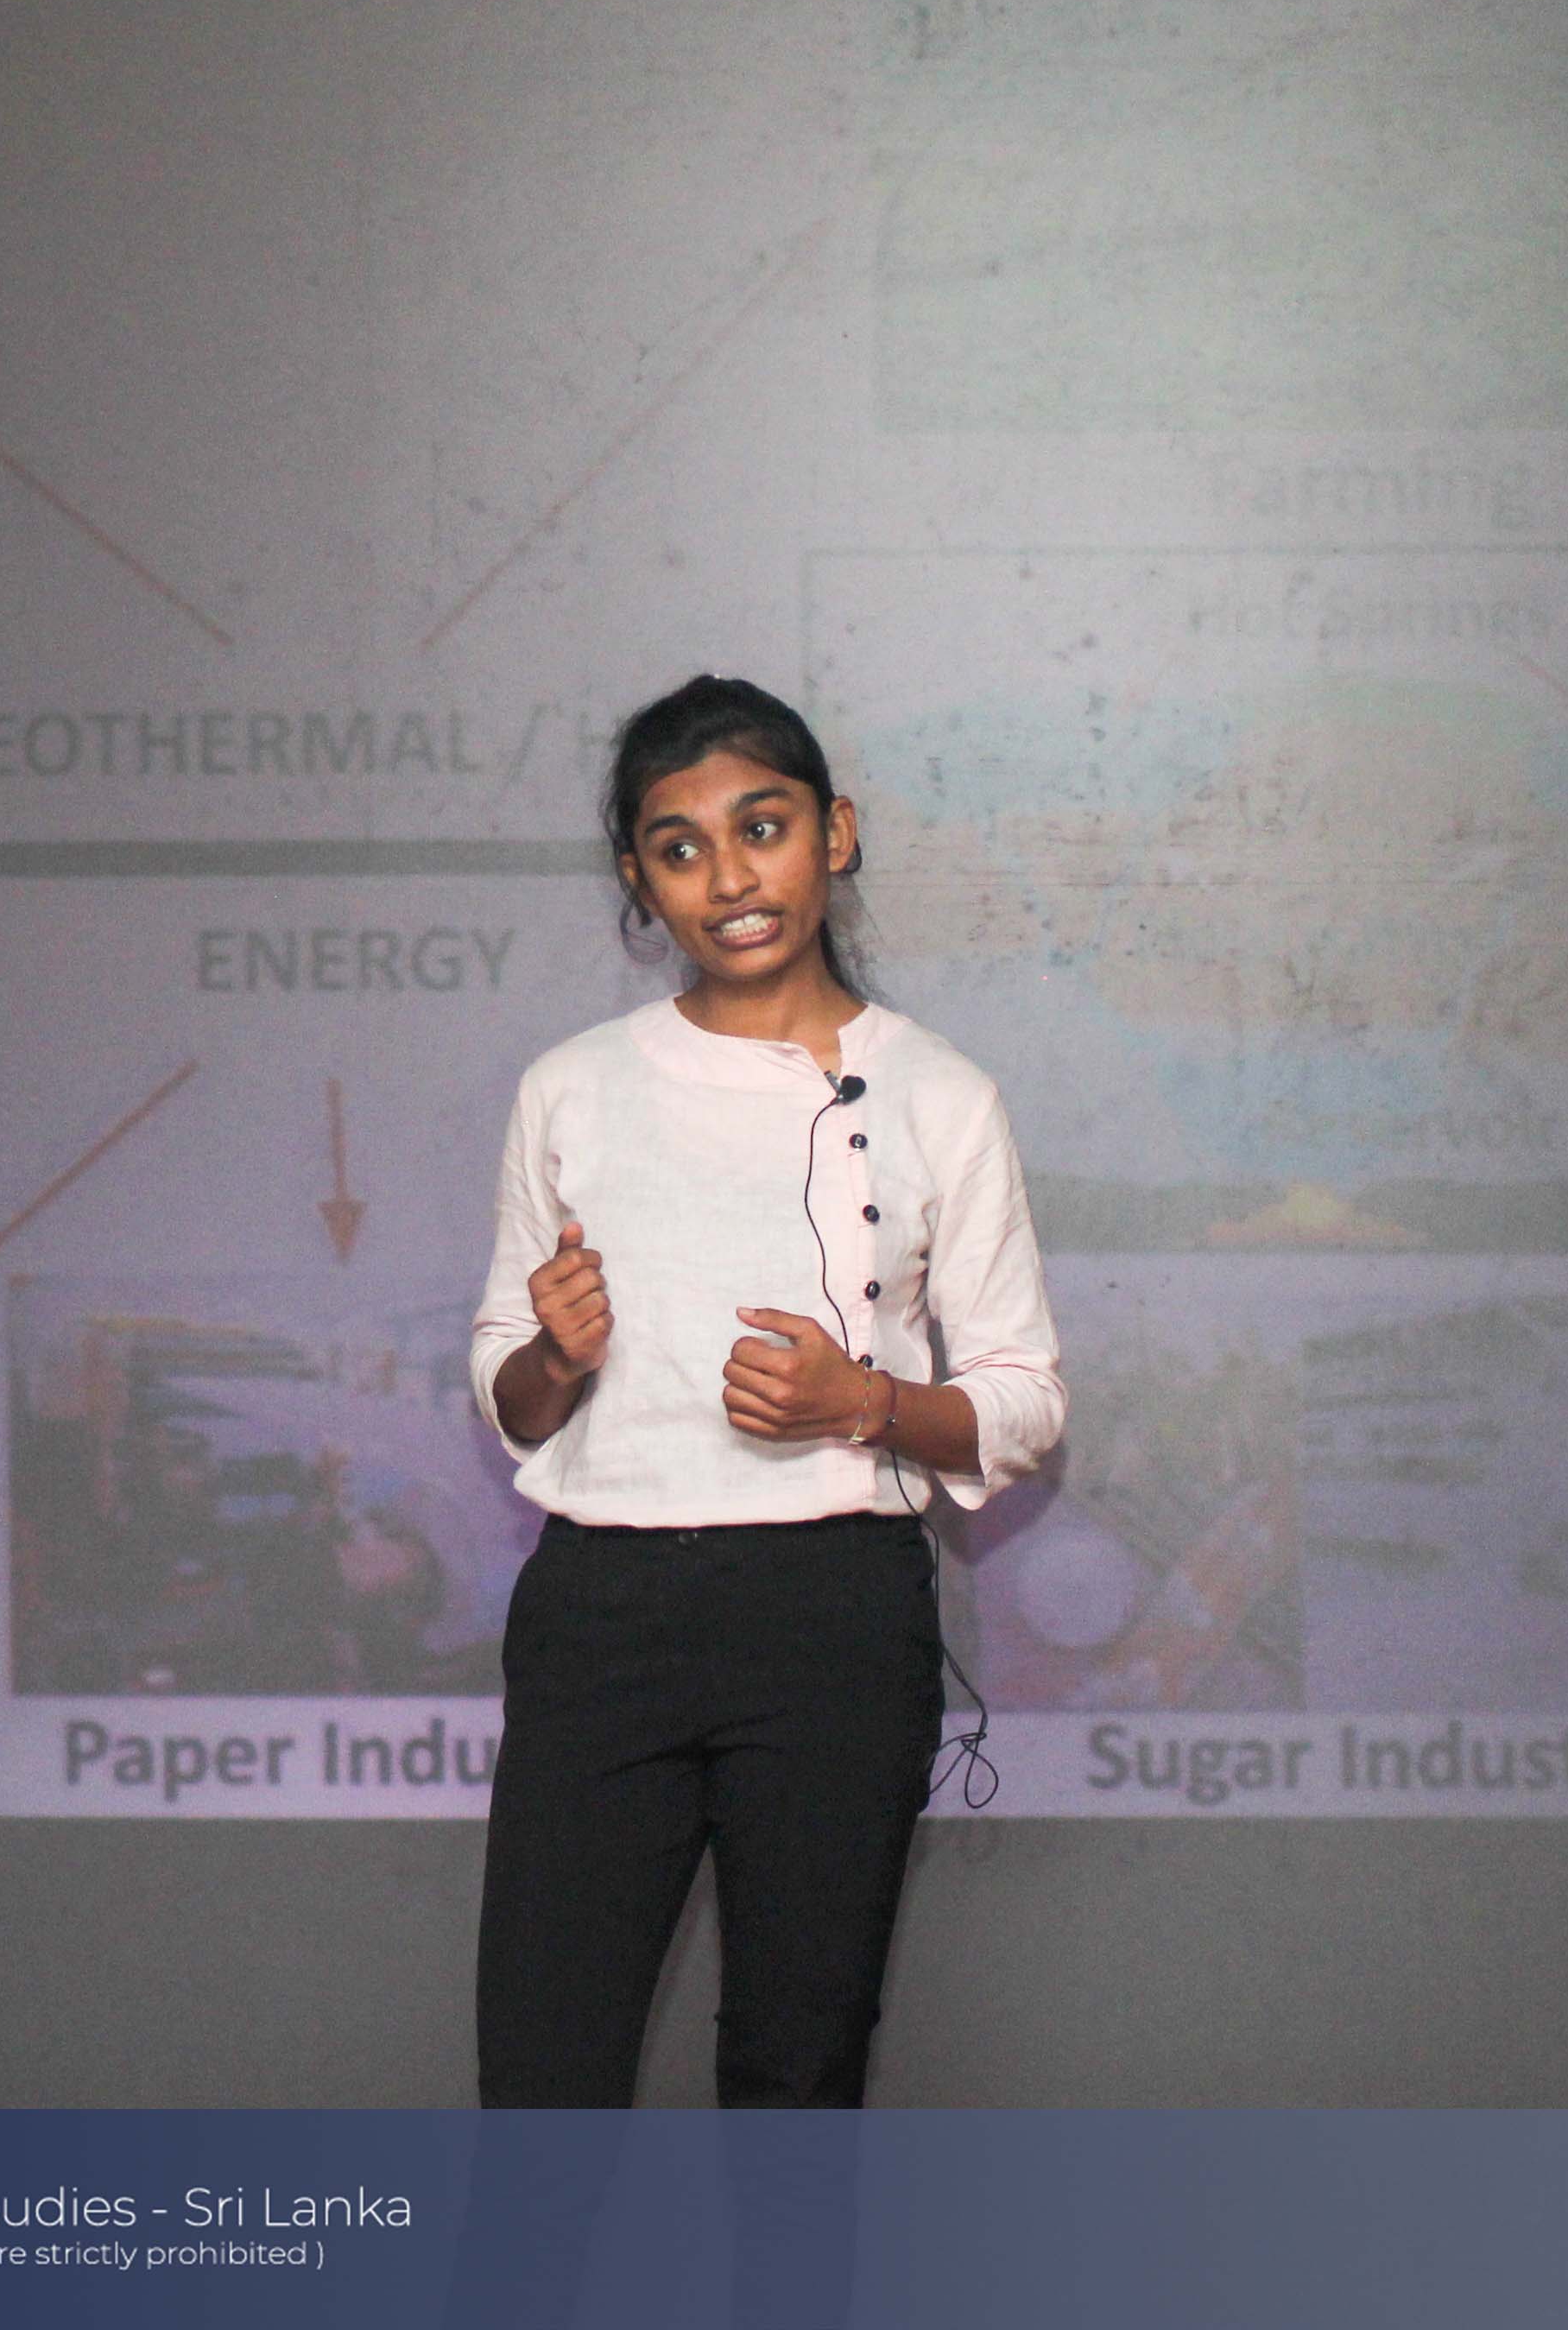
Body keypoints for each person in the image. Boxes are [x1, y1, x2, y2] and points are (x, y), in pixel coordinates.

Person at [467, 673, 1066, 2112]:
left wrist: (861, 1402)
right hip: (602, 1616)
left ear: (833, 833)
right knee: (543, 2080)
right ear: (636, 880)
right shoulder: (570, 1088)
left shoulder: (940, 1095)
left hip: (830, 1623)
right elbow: (509, 1389)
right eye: (678, 848)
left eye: (762, 827)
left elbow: (1025, 1398)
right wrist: (551, 1355)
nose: (728, 879)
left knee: (795, 2082)